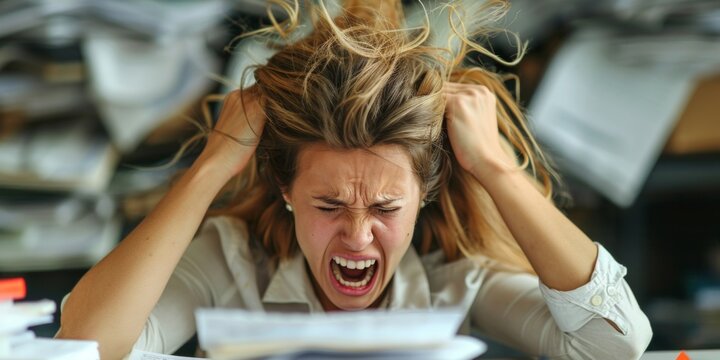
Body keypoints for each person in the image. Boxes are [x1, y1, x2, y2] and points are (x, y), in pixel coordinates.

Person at [57, 0, 653, 358]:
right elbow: (86, 347)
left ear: (427, 194)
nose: (358, 238)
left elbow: (613, 345)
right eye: (329, 205)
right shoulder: (232, 263)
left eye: (387, 208)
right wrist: (212, 164)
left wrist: (496, 166)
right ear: (286, 190)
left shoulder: (454, 281)